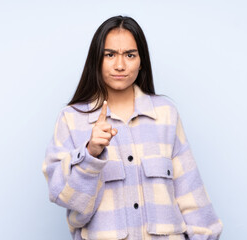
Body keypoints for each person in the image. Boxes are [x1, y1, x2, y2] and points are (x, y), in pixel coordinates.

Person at [42, 15, 223, 240]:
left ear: (141, 61)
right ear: (96, 60)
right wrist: (90, 153)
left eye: (130, 55)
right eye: (109, 55)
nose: (120, 65)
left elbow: (191, 193)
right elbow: (64, 197)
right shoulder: (72, 119)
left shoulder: (165, 114)